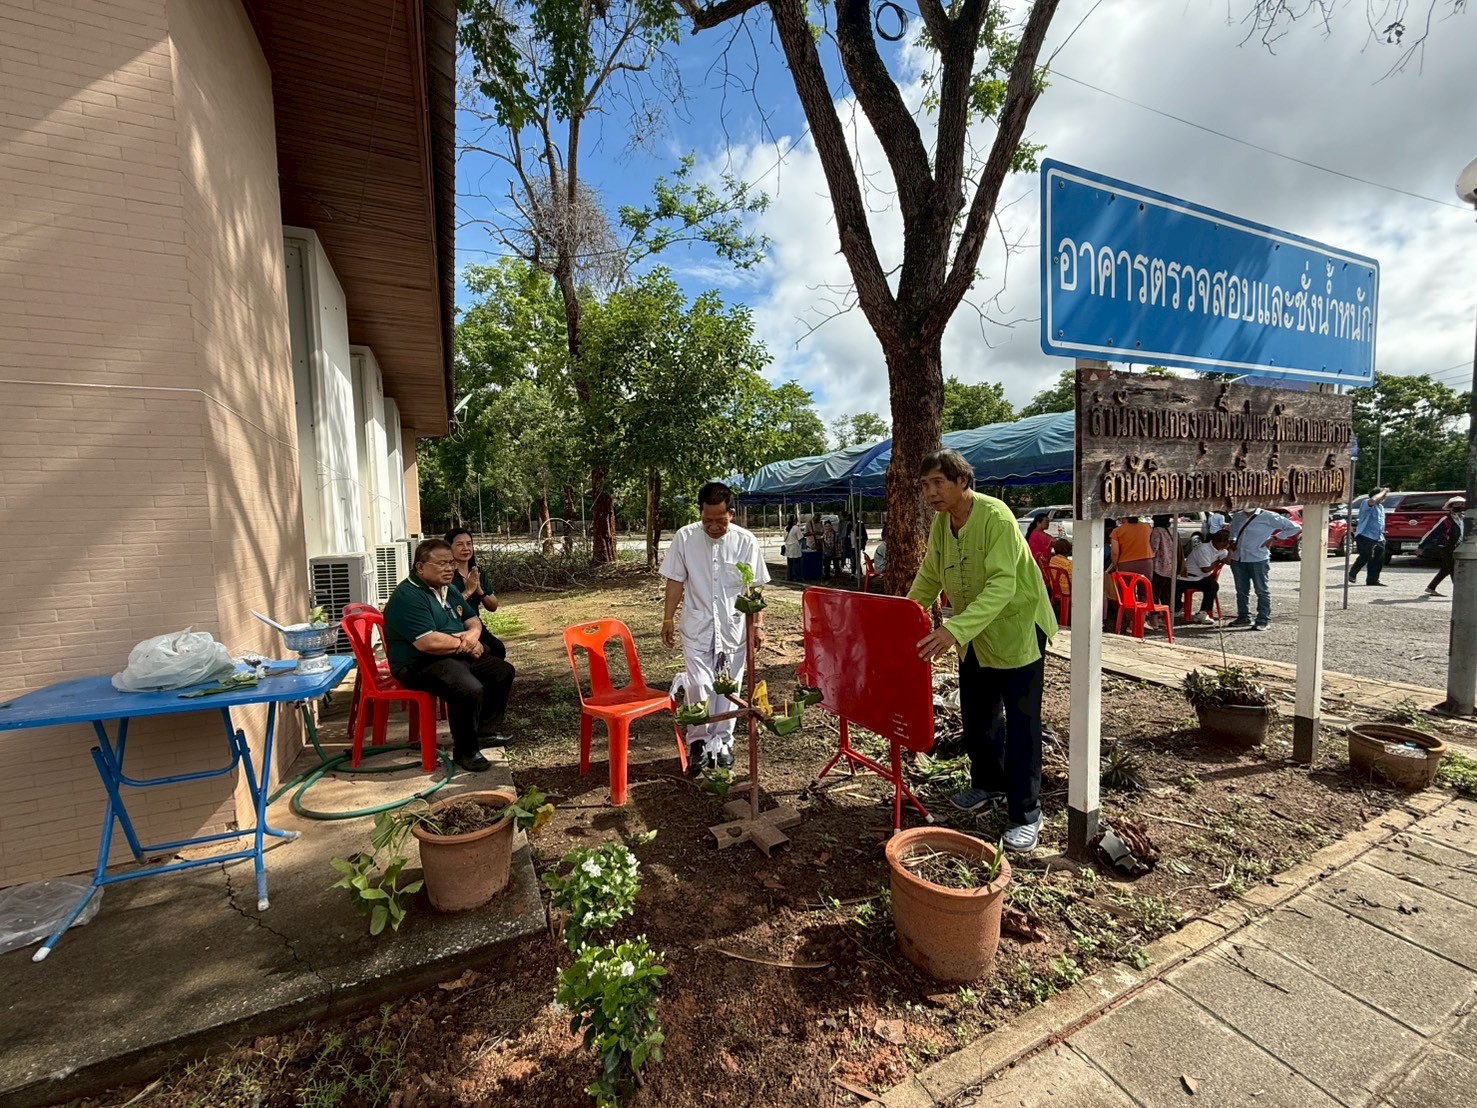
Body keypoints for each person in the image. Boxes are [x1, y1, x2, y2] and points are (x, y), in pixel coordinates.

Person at [907, 450, 1058, 852]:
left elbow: (1002, 585)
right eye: (925, 485)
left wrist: (953, 630)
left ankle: (1027, 813)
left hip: (1016, 630)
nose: (931, 492)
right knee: (978, 715)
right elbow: (930, 575)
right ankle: (989, 783)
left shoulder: (996, 517)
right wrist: (904, 616)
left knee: (1022, 724)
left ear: (962, 482)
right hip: (973, 634)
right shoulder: (942, 523)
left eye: (939, 482)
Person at [661, 481, 770, 773]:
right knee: (699, 684)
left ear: (731, 514)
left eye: (720, 521)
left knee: (729, 687)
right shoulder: (685, 538)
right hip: (697, 626)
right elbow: (675, 580)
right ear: (700, 513)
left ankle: (722, 743)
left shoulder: (746, 541)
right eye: (707, 520)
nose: (713, 527)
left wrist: (758, 625)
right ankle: (698, 740)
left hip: (734, 628)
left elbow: (754, 587)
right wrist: (668, 618)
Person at [383, 539, 516, 773]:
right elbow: (428, 642)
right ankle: (466, 751)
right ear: (420, 567)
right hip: (417, 664)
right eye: (442, 563)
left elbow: (473, 620)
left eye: (451, 563)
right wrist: (466, 646)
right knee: (468, 688)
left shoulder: (449, 589)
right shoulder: (408, 596)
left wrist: (472, 637)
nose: (449, 569)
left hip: (451, 655)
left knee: (501, 671)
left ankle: (485, 732)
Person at [1227, 507, 1302, 630]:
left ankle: (1263, 619)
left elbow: (1295, 527)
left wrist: (1275, 538)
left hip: (1258, 558)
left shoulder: (1269, 516)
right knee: (1241, 591)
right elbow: (1233, 532)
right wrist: (1232, 541)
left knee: (1261, 590)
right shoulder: (1238, 516)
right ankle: (1243, 617)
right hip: (1238, 558)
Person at [445, 527, 508, 659]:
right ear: (448, 548)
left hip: (475, 623)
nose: (466, 548)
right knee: (485, 651)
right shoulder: (445, 574)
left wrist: (479, 590)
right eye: (460, 544)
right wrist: (468, 591)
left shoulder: (477, 572)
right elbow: (445, 610)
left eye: (469, 544)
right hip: (453, 626)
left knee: (498, 648)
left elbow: (493, 606)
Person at [1176, 530, 1231, 624]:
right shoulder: (1203, 549)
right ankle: (1178, 607)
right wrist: (1218, 561)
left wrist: (1231, 550)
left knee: (1213, 586)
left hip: (1202, 578)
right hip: (1187, 578)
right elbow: (1205, 569)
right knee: (1174, 590)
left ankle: (1203, 612)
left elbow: (1229, 562)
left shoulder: (1222, 551)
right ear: (1224, 542)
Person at [1421, 496, 1466, 597]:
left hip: (1457, 546)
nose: (1460, 506)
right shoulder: (1446, 520)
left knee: (1447, 568)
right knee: (1451, 568)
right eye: (1457, 504)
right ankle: (1459, 591)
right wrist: (1421, 546)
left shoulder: (1463, 518)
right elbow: (1432, 533)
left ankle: (1431, 587)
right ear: (1451, 507)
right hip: (1447, 547)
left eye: (1462, 504)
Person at [1349, 487, 1390, 586]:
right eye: (1383, 496)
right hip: (1365, 535)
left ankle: (1372, 580)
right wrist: (1384, 491)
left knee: (1378, 558)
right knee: (1366, 555)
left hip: (1378, 537)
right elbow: (1372, 500)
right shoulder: (1366, 503)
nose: (1384, 498)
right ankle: (1352, 574)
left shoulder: (1381, 507)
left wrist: (1382, 536)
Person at [1149, 515, 1177, 611]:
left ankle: (1155, 616)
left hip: (1159, 567)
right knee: (1166, 594)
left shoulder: (1157, 531)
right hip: (1170, 566)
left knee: (1155, 593)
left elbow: (1153, 549)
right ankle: (1167, 615)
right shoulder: (1170, 530)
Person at [1025, 513, 1053, 581]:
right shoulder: (1038, 535)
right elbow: (1056, 543)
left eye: (1048, 522)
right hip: (1039, 564)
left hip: (1033, 563)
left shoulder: (1034, 533)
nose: (1048, 523)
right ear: (1038, 523)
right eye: (1046, 521)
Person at [783, 514, 806, 582]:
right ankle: (796, 576)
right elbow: (800, 537)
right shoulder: (796, 528)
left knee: (790, 563)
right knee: (796, 563)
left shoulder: (786, 528)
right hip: (794, 547)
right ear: (795, 521)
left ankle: (789, 576)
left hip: (788, 547)